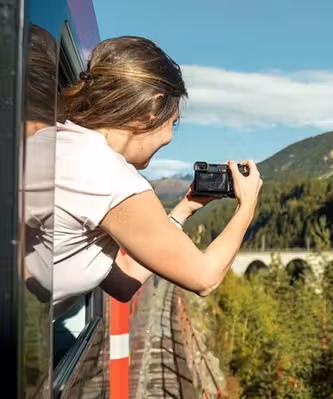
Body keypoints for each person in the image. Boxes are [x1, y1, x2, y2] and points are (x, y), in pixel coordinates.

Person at [54, 35, 262, 314]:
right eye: (173, 123)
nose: (170, 138)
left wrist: (183, 210)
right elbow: (205, 278)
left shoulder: (63, 145)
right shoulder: (109, 176)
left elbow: (123, 281)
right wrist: (247, 205)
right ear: (152, 109)